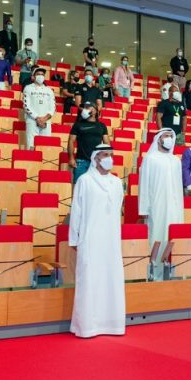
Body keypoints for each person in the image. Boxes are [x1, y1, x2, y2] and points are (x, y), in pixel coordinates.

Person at [68, 145, 125, 338]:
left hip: (110, 240)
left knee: (111, 278)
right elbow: (76, 211)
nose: (109, 158)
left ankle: (112, 323)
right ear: (95, 158)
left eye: (111, 155)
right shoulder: (84, 181)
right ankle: (87, 326)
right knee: (90, 279)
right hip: (90, 238)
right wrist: (74, 238)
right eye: (105, 155)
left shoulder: (117, 183)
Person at [138, 128, 184, 280]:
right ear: (158, 138)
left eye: (171, 136)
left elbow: (178, 186)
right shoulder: (150, 158)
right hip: (156, 207)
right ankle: (154, 274)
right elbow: (143, 184)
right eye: (166, 136)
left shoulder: (176, 160)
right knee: (157, 236)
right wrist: (144, 208)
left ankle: (173, 273)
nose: (169, 138)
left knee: (174, 237)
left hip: (175, 207)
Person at [68, 102, 109, 185]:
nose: (85, 109)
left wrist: (107, 159)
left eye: (88, 107)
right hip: (81, 161)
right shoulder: (78, 125)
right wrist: (71, 158)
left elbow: (106, 143)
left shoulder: (101, 126)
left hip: (97, 162)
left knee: (96, 187)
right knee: (79, 187)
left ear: (95, 111)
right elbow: (71, 141)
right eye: (85, 108)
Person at [23, 67, 55, 149]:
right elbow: (26, 106)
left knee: (45, 146)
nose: (40, 76)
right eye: (38, 74)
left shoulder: (49, 90)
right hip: (32, 121)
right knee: (31, 145)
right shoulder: (28, 88)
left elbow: (53, 107)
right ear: (33, 77)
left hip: (46, 122)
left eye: (42, 75)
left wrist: (44, 119)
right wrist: (37, 117)